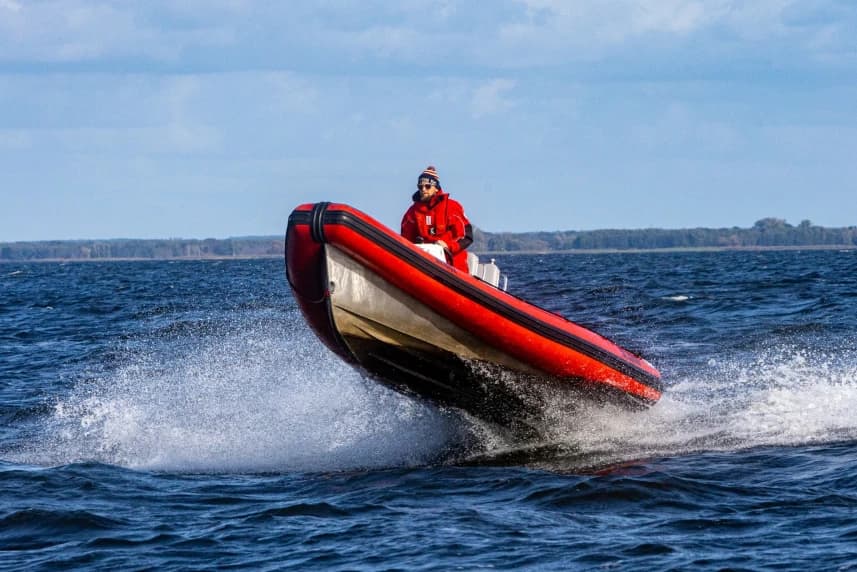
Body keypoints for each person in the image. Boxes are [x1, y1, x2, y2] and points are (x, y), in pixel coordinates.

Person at [401, 165, 473, 273]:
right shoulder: (412, 213)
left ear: (436, 188)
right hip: (424, 266)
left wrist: (448, 246)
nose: (423, 190)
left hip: (453, 268)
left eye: (427, 186)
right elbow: (406, 240)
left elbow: (466, 236)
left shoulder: (452, 207)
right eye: (420, 187)